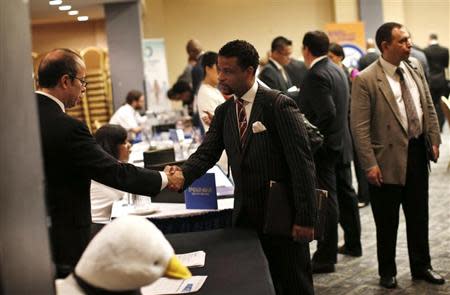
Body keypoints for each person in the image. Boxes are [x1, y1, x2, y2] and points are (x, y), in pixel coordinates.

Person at [169, 40, 317, 295]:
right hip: (246, 219)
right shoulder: (226, 111)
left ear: (249, 71)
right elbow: (206, 152)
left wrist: (305, 217)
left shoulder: (277, 105)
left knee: (294, 284)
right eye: (219, 69)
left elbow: (302, 165)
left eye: (228, 71)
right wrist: (183, 175)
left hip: (283, 216)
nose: (221, 77)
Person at [35, 48, 184, 278]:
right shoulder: (67, 127)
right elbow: (114, 171)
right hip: (65, 235)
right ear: (66, 81)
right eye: (82, 81)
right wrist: (165, 178)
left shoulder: (19, 117)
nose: (84, 89)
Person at [351, 22, 444, 288]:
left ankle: (421, 266)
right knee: (387, 221)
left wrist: (434, 138)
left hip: (416, 152)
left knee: (419, 215)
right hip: (385, 160)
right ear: (385, 46)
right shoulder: (367, 79)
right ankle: (387, 271)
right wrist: (369, 164)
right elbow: (359, 127)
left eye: (409, 39)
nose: (409, 44)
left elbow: (427, 103)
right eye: (402, 41)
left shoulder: (414, 66)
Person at [296, 31, 349, 274]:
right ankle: (327, 252)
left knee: (325, 200)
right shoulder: (336, 68)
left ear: (306, 49)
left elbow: (326, 112)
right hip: (337, 141)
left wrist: (312, 135)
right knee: (332, 197)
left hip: (323, 147)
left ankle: (326, 256)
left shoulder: (315, 74)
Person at [327, 43, 363, 257]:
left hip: (342, 141)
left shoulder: (344, 76)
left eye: (332, 56)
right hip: (343, 141)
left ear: (340, 57)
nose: (330, 60)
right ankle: (352, 242)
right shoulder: (338, 75)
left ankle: (353, 243)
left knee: (346, 195)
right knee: (345, 195)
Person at [90, 124, 130, 223]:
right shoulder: (110, 171)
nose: (129, 145)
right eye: (124, 142)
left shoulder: (101, 166)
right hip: (99, 227)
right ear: (112, 146)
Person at [424, 33, 449, 130]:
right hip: (442, 80)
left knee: (432, 104)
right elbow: (446, 66)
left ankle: (434, 126)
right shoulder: (445, 50)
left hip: (431, 81)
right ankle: (441, 126)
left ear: (430, 39)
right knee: (442, 105)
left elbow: (427, 66)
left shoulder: (425, 51)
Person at [196, 51, 225, 131]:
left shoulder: (213, 90)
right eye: (218, 69)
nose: (221, 73)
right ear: (208, 69)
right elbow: (215, 126)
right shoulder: (206, 93)